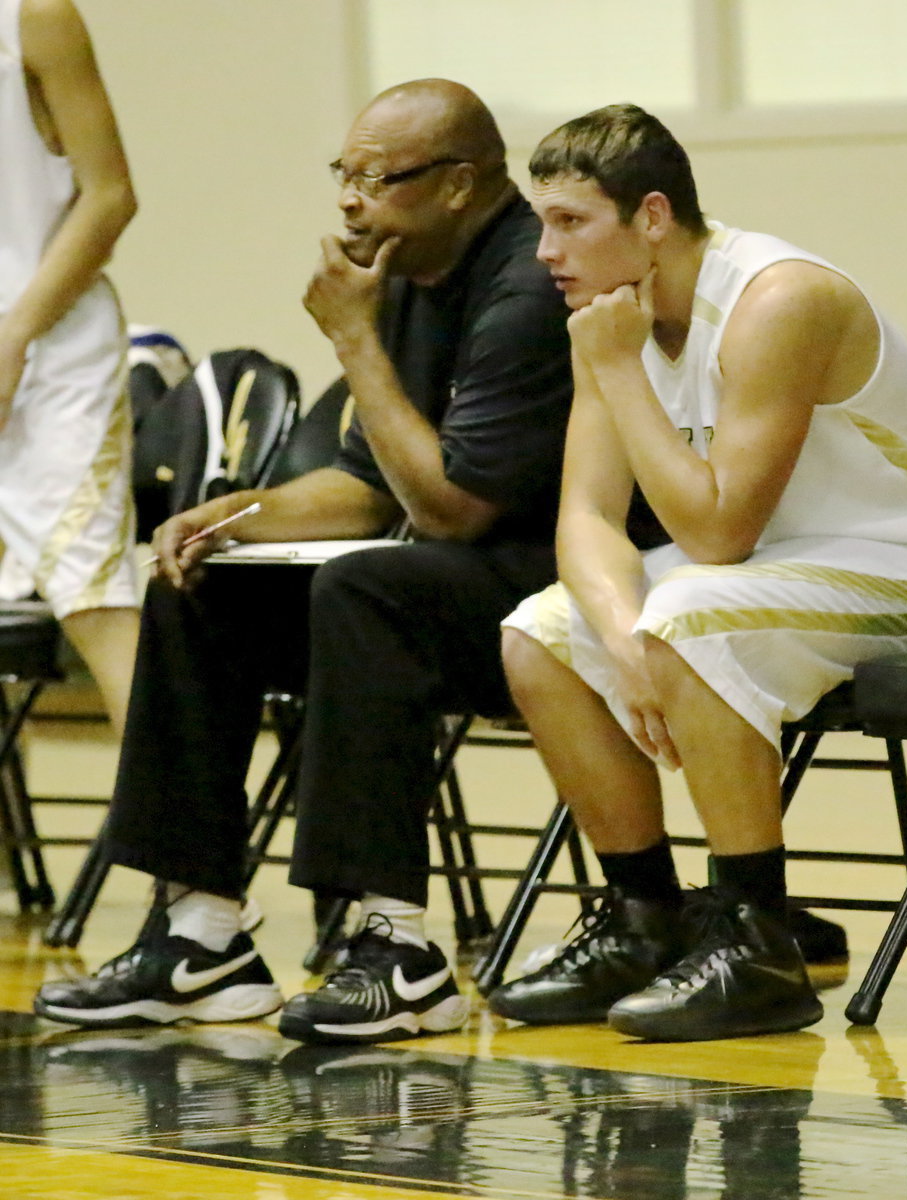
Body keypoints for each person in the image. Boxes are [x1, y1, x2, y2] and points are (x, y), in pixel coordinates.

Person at [33, 79, 574, 1042]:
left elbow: (449, 511)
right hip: (443, 584)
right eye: (344, 174)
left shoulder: (527, 286)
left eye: (377, 177)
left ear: (458, 183)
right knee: (202, 588)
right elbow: (366, 485)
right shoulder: (410, 268)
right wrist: (232, 518)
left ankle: (398, 950)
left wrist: (355, 338)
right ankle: (200, 936)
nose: (349, 200)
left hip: (565, 591)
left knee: (370, 585)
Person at [486, 104, 907, 1042]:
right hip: (785, 572)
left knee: (689, 606)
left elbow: (720, 533)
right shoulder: (611, 318)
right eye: (541, 222)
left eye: (569, 222)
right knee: (540, 633)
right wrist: (619, 636)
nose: (544, 252)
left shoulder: (779, 299)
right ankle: (645, 920)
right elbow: (585, 519)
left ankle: (757, 942)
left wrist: (617, 374)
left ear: (651, 218)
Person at [0, 0, 139, 735]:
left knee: (95, 601)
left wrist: (13, 335)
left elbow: (111, 194)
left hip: (49, 349)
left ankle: (171, 845)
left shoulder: (35, 14)